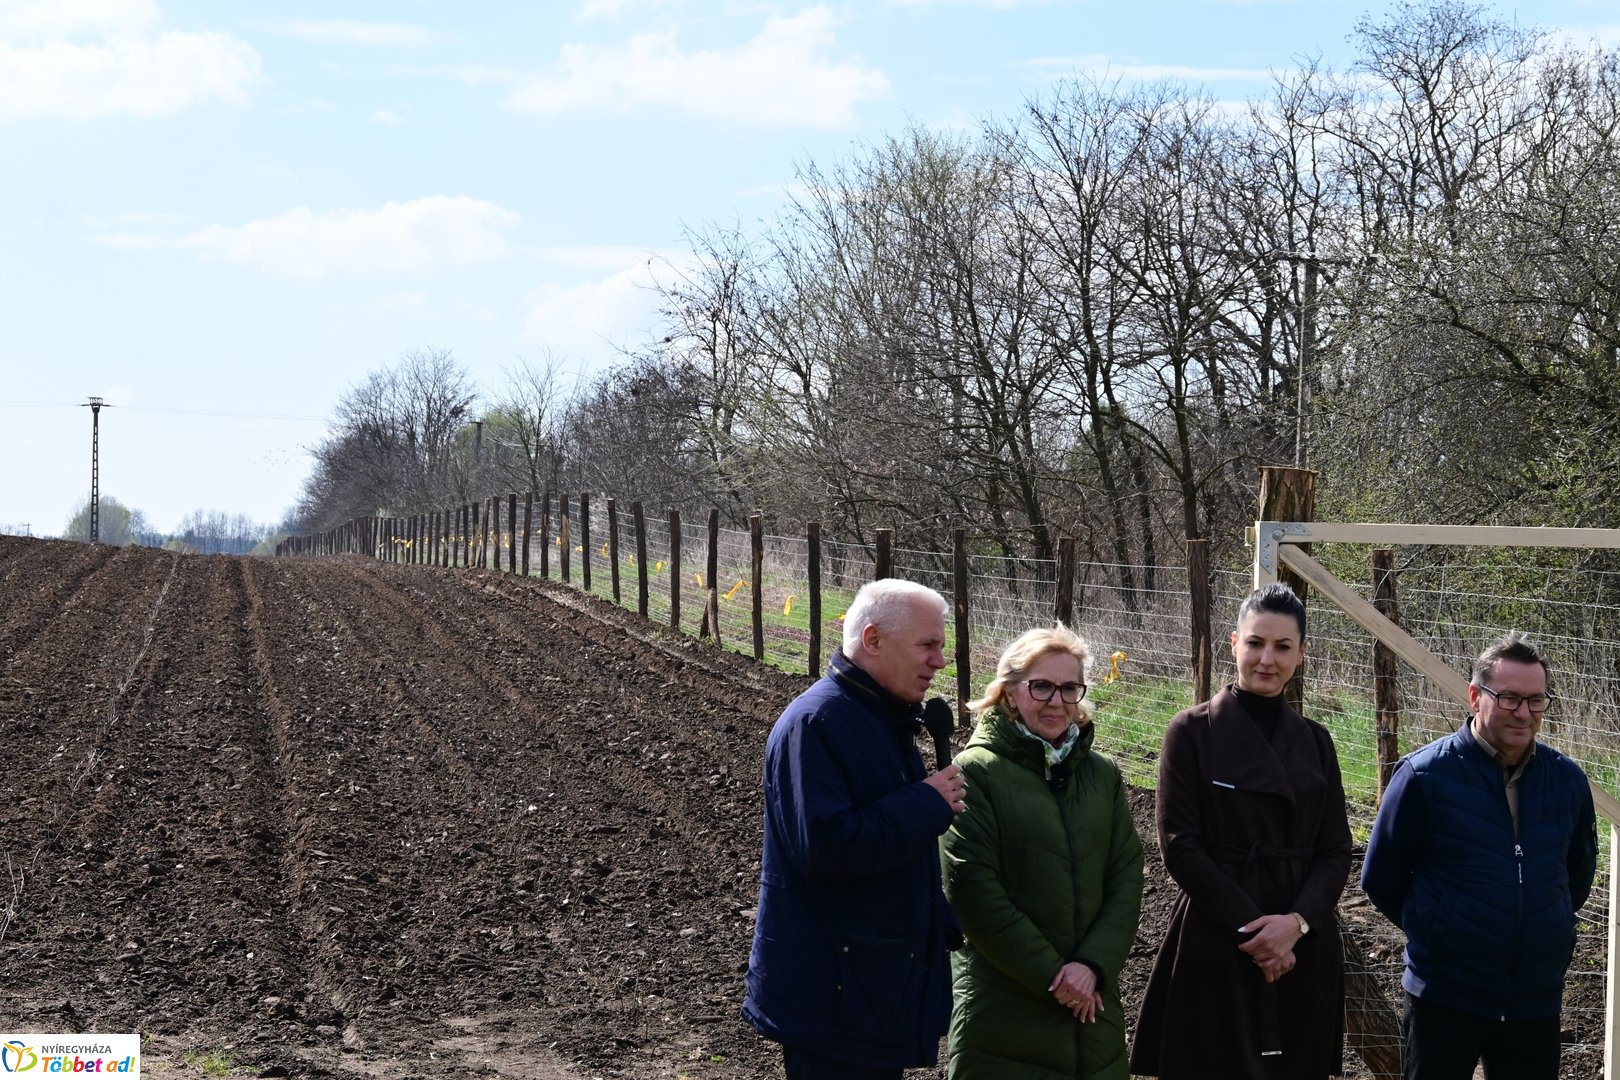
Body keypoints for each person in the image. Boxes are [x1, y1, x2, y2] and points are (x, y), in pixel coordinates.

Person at [742, 578, 968, 1079]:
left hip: (871, 986)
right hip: (837, 997)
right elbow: (825, 848)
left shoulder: (880, 717)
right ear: (872, 640)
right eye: (927, 645)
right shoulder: (817, 723)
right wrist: (925, 803)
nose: (939, 661)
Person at [1130, 582, 1352, 1080]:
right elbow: (1180, 847)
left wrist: (1294, 926)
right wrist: (1256, 933)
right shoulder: (1191, 731)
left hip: (1302, 947)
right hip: (1220, 935)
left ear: (1302, 654)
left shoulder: (1317, 741)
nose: (1266, 659)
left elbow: (1336, 850)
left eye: (1282, 646)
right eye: (1255, 643)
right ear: (1234, 643)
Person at [1361, 632, 1597, 1080]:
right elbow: (1381, 877)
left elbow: (1575, 875)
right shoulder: (1424, 776)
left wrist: (1546, 926)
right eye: (1509, 698)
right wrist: (1440, 929)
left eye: (1536, 700)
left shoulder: (1566, 781)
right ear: (1475, 695)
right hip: (1446, 997)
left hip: (1534, 999)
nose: (1524, 713)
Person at [939, 625, 1144, 1078]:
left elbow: (1126, 875)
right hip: (1004, 1010)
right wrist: (1056, 976)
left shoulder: (1102, 775)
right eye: (1041, 686)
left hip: (1092, 1009)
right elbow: (972, 888)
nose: (1057, 701)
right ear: (1010, 693)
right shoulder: (974, 774)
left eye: (1069, 687)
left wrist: (1092, 965)